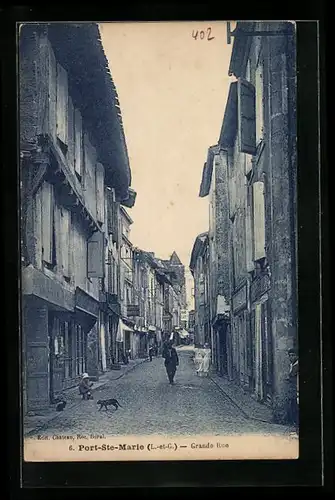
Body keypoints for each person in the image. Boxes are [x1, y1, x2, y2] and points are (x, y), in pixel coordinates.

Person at [287, 348, 299, 428]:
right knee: (293, 407)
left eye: (293, 355)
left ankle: (297, 425)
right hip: (292, 392)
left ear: (297, 356)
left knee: (296, 408)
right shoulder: (292, 365)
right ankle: (295, 424)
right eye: (290, 355)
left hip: (296, 391)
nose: (291, 357)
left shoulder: (297, 365)